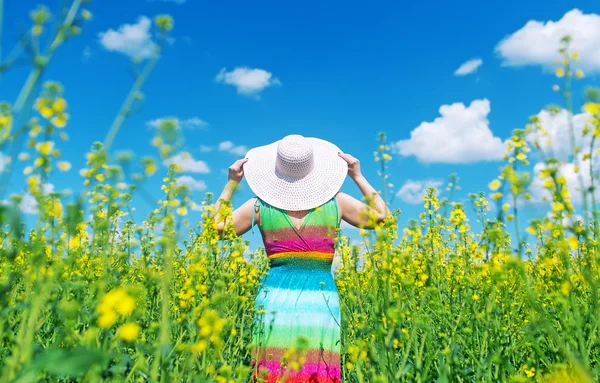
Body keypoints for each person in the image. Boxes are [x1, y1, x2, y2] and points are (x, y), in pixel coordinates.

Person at [213, 134, 390, 383]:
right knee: (318, 371)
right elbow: (382, 217)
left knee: (272, 372)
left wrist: (231, 184)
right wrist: (358, 176)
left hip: (273, 301)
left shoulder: (258, 206)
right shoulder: (337, 202)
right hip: (321, 301)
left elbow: (215, 229)